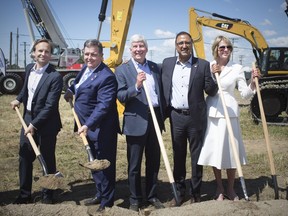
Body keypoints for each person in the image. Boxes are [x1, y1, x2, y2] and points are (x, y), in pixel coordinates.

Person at [197, 35, 259, 201]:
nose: (225, 50)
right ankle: (219, 187)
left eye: (228, 47)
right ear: (216, 49)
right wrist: (212, 74)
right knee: (215, 150)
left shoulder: (237, 68)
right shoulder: (208, 66)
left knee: (231, 151)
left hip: (229, 112)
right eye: (222, 47)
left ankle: (231, 188)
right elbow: (204, 87)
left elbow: (245, 94)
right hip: (213, 112)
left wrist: (253, 81)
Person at [161, 31, 218, 206]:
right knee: (178, 155)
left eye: (187, 43)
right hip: (176, 116)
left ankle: (196, 193)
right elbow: (151, 70)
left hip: (195, 118)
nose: (184, 46)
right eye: (180, 43)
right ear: (176, 46)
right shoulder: (167, 63)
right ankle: (179, 192)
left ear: (191, 44)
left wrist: (214, 76)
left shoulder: (202, 65)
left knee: (196, 156)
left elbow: (212, 91)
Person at [64, 39, 119, 213]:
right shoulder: (85, 69)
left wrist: (88, 125)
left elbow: (104, 105)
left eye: (94, 54)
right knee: (93, 162)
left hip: (101, 129)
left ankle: (107, 203)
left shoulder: (107, 77)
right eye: (87, 54)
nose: (89, 57)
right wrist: (70, 91)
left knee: (104, 166)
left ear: (102, 56)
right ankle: (99, 193)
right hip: (86, 127)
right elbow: (77, 84)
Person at [115, 34, 165, 211]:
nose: (138, 49)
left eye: (141, 46)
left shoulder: (154, 67)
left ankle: (151, 196)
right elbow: (120, 96)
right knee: (134, 164)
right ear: (130, 49)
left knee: (153, 162)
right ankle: (135, 199)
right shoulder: (122, 70)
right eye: (135, 47)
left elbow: (161, 93)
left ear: (146, 49)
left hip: (155, 120)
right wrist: (136, 86)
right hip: (136, 121)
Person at [11, 39, 63, 204]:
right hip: (27, 118)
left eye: (47, 51)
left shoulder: (55, 76)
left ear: (50, 55)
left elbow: (50, 106)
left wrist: (34, 125)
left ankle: (48, 194)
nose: (43, 54)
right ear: (33, 52)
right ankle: (24, 195)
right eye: (40, 51)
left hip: (47, 123)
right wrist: (18, 99)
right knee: (24, 156)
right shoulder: (29, 69)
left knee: (47, 157)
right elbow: (26, 89)